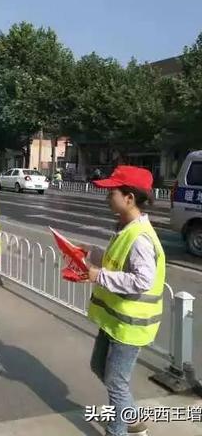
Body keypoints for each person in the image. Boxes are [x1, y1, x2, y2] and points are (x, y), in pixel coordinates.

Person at [81, 165, 165, 436]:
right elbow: (117, 260)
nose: (107, 197)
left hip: (130, 325)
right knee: (99, 367)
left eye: (112, 192)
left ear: (129, 198)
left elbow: (142, 281)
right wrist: (92, 254)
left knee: (116, 382)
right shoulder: (126, 228)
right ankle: (133, 419)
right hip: (114, 320)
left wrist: (99, 276)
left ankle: (118, 431)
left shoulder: (140, 237)